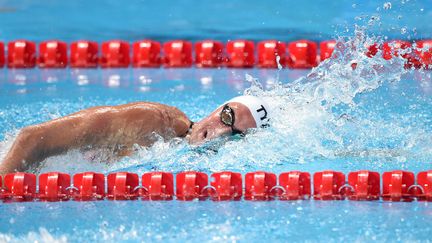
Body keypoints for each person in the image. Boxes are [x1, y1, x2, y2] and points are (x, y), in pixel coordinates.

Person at [0, 95, 270, 175]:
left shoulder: (185, 162)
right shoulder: (151, 121)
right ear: (217, 107)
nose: (218, 132)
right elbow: (32, 139)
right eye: (226, 117)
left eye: (234, 135)